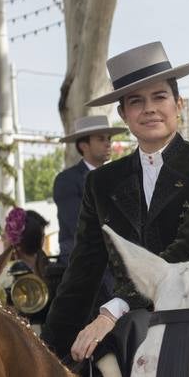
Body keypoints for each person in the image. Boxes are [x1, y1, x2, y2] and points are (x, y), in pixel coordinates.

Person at [41, 42, 189, 364]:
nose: (149, 108)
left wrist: (112, 312)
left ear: (178, 104)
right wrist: (46, 351)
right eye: (136, 102)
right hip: (126, 331)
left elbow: (186, 253)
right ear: (123, 115)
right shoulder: (102, 183)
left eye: (159, 97)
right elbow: (82, 272)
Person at [52, 115, 125, 272]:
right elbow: (79, 226)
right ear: (84, 145)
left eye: (108, 139)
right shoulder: (67, 180)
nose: (108, 144)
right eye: (101, 139)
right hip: (81, 267)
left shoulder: (117, 178)